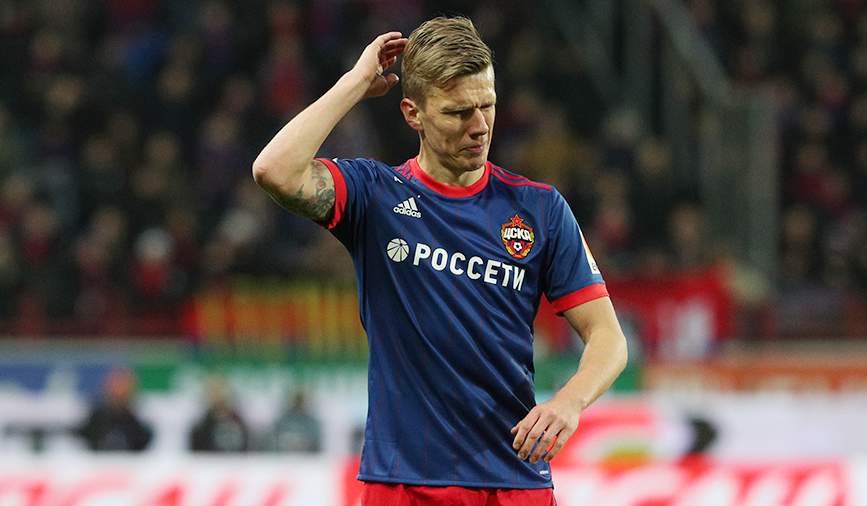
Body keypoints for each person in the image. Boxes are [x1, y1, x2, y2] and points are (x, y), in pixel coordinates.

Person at [253, 17, 628, 505]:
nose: (480, 126)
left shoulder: (539, 209)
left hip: (512, 479)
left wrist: (569, 402)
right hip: (403, 481)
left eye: (487, 105)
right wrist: (355, 83)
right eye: (458, 113)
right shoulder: (376, 196)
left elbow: (609, 338)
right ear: (413, 113)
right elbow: (274, 170)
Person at [75, 367, 153, 451]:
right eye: (116, 386)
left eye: (123, 388)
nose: (119, 392)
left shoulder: (136, 425)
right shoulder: (96, 420)